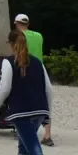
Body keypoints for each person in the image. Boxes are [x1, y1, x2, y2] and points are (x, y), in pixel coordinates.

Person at [0, 30, 58, 155]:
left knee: (34, 149)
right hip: (39, 110)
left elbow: (4, 87)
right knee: (25, 145)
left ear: (10, 44)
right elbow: (49, 89)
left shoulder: (8, 62)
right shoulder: (37, 62)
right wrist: (47, 115)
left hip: (21, 111)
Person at [15, 13, 53, 146]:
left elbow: (17, 54)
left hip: (25, 67)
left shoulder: (18, 37)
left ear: (16, 24)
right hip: (41, 69)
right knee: (45, 99)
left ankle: (23, 129)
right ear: (28, 24)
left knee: (22, 99)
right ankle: (47, 134)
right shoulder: (39, 35)